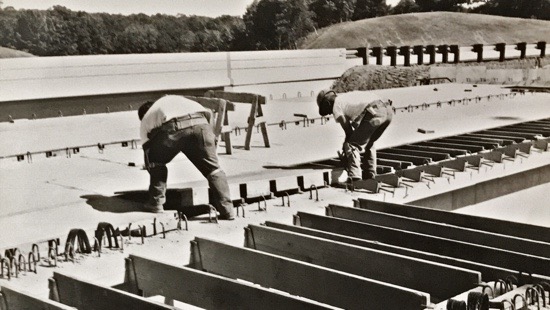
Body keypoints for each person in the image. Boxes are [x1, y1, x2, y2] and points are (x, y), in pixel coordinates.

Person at [138, 95, 235, 220]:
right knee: (213, 169)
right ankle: (227, 210)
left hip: (174, 127)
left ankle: (155, 203)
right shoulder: (172, 101)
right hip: (202, 123)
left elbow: (147, 152)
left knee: (156, 162)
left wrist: (153, 168)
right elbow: (208, 117)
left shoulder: (147, 118)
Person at [316, 89, 393, 181]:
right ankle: (370, 172)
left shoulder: (336, 106)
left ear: (327, 104)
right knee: (369, 141)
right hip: (387, 111)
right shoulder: (345, 98)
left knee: (352, 145)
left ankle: (355, 177)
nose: (329, 113)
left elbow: (349, 132)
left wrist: (346, 153)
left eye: (327, 111)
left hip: (374, 112)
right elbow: (359, 130)